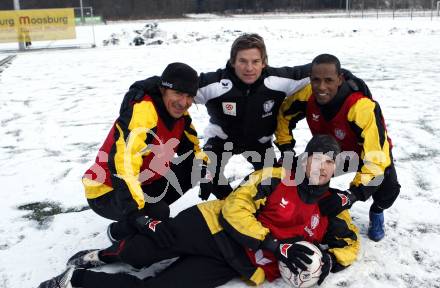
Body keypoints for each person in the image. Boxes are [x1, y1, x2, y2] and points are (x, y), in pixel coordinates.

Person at [34, 135, 360, 288]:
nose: (323, 167)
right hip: (208, 226)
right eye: (317, 158)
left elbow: (349, 243)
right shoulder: (274, 178)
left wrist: (329, 261)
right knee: (138, 256)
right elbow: (235, 209)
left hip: (235, 263)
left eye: (330, 162)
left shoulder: (331, 208)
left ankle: (75, 279)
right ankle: (104, 255)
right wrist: (276, 244)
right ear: (304, 160)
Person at [126, 34, 369, 201]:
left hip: (260, 143)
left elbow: (318, 71)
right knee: (204, 174)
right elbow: (176, 86)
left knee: (279, 184)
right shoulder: (215, 83)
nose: (249, 67)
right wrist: (147, 85)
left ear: (264, 62)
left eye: (255, 61)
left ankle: (264, 206)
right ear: (233, 61)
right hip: (221, 141)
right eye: (242, 61)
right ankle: (224, 203)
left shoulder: (279, 80)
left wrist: (351, 80)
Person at [275, 54, 400, 242]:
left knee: (388, 190)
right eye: (316, 80)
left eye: (328, 80)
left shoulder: (361, 107)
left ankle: (377, 212)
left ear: (339, 79)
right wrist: (286, 149)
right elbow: (283, 116)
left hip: (370, 154)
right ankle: (301, 211)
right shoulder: (306, 96)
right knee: (295, 172)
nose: (321, 87)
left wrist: (351, 196)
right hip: (332, 153)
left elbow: (376, 159)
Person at [82, 62, 209, 246]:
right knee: (158, 213)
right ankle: (119, 232)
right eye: (178, 93)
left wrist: (207, 176)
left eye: (189, 96)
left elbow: (194, 151)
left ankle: (145, 215)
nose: (184, 102)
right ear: (163, 89)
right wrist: (136, 214)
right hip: (106, 189)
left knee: (195, 168)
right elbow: (124, 164)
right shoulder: (143, 111)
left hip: (141, 182)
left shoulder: (180, 116)